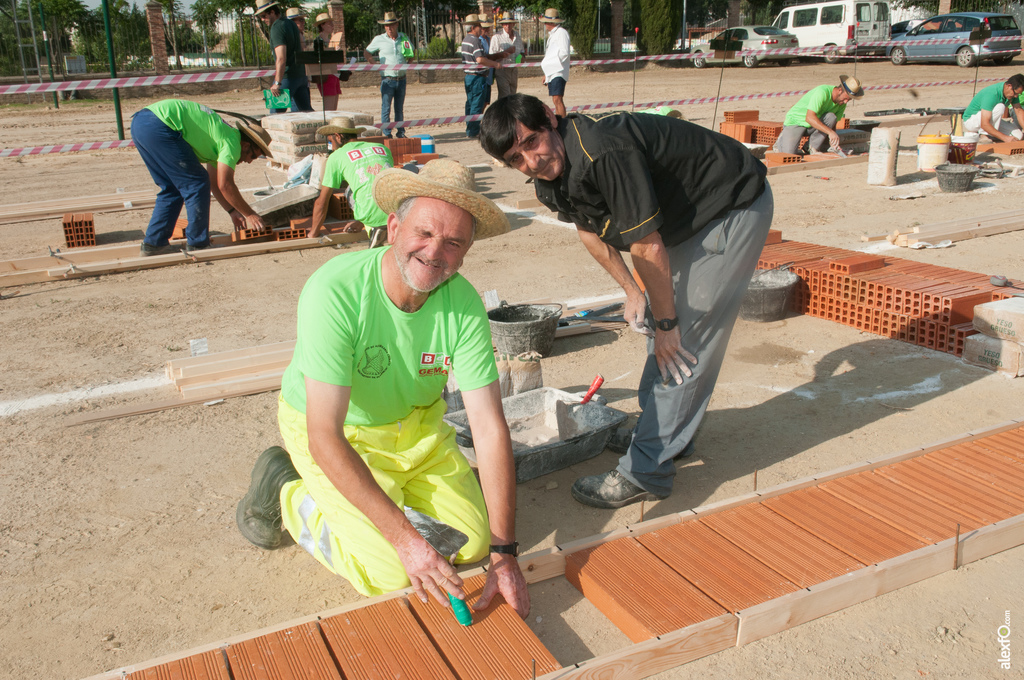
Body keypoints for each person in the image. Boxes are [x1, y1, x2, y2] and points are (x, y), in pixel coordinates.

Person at [235, 159, 530, 618]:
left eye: (454, 242)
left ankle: (387, 505)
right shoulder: (336, 291)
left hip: (415, 429)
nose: (436, 252)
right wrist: (406, 542)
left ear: (468, 250)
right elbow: (324, 436)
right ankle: (290, 492)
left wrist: (504, 552)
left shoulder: (465, 304)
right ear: (393, 226)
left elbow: (489, 428)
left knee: (471, 544)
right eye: (424, 233)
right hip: (340, 432)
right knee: (391, 573)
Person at [480, 94, 773, 509]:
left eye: (531, 143)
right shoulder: (551, 176)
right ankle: (664, 437)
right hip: (683, 221)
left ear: (550, 118)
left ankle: (646, 470)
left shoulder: (602, 151)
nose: (531, 161)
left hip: (730, 204)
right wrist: (633, 293)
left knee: (684, 340)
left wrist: (669, 326)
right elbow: (589, 230)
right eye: (515, 158)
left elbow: (647, 245)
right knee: (661, 322)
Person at [130, 99, 272, 256]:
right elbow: (226, 185)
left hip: (142, 123)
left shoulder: (222, 138)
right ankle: (198, 243)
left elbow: (214, 183)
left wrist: (232, 211)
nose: (249, 161)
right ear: (246, 145)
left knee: (173, 187)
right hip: (160, 125)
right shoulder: (232, 143)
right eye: (252, 155)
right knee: (196, 182)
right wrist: (250, 214)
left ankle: (154, 245)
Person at [309, 117, 393, 247]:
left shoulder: (336, 157)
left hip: (373, 216)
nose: (331, 146)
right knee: (381, 184)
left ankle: (372, 225)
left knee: (350, 191)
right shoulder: (381, 147)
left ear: (338, 136)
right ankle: (377, 224)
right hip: (397, 211)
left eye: (330, 141)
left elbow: (322, 201)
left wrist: (313, 233)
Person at [775, 75, 863, 155]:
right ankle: (780, 142)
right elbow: (809, 118)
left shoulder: (841, 103)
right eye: (845, 99)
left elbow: (833, 123)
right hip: (796, 122)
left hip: (812, 125)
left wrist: (834, 143)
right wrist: (830, 133)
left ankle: (812, 148)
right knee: (788, 155)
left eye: (848, 100)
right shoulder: (822, 92)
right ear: (840, 90)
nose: (845, 102)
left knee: (831, 117)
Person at [255, 1, 312, 113]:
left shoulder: (277, 27)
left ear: (272, 12)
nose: (262, 19)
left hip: (288, 77)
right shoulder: (290, 23)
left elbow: (281, 58)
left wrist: (277, 83)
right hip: (300, 76)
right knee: (306, 113)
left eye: (263, 16)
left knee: (275, 114)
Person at [364, 12, 414, 139]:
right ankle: (387, 134)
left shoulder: (403, 38)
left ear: (396, 24)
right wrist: (375, 65)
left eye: (391, 25)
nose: (389, 28)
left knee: (399, 108)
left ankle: (401, 132)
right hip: (387, 79)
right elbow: (367, 52)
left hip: (401, 79)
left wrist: (407, 64)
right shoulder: (379, 39)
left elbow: (412, 52)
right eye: (387, 26)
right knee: (386, 107)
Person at [461, 15, 503, 138]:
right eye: (479, 26)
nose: (481, 28)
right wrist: (494, 64)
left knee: (470, 102)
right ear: (473, 27)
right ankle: (473, 130)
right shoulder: (475, 40)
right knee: (476, 104)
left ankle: (470, 128)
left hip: (469, 76)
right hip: (477, 76)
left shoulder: (465, 40)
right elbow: (480, 59)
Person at [962, 74, 1024, 143]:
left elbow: (1019, 112)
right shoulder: (992, 94)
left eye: (1018, 94)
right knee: (1000, 107)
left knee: (1018, 136)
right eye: (1015, 93)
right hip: (972, 121)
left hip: (989, 120)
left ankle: (987, 133)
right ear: (1009, 86)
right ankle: (983, 135)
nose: (1016, 96)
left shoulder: (1013, 94)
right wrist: (1005, 138)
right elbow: (984, 123)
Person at [539, 9, 570, 118]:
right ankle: (560, 121)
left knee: (557, 99)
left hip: (558, 71)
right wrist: (547, 73)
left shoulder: (561, 33)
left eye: (546, 21)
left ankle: (563, 123)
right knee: (555, 99)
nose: (545, 24)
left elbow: (564, 52)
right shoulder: (553, 34)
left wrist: (552, 67)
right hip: (553, 71)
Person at [311, 13, 342, 111]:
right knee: (329, 110)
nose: (332, 25)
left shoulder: (330, 40)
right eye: (329, 23)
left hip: (334, 74)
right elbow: (319, 58)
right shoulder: (318, 41)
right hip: (325, 75)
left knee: (334, 108)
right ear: (322, 25)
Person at [492, 17, 524, 100]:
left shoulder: (517, 36)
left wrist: (522, 58)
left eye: (509, 23)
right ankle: (502, 113)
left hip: (514, 70)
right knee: (505, 97)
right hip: (502, 70)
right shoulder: (497, 37)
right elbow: (492, 56)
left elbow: (522, 52)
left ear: (513, 24)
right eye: (505, 24)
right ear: (502, 25)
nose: (507, 26)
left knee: (513, 96)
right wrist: (506, 52)